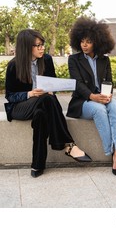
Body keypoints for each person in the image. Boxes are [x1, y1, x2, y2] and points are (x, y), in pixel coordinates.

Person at [4, 29, 92, 178]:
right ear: (26, 47)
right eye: (37, 45)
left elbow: (52, 84)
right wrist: (30, 94)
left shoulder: (46, 60)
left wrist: (52, 90)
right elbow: (10, 96)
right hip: (20, 107)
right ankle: (68, 144)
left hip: (42, 105)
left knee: (41, 115)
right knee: (47, 100)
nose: (42, 48)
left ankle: (37, 164)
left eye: (42, 44)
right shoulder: (14, 65)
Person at [66, 17, 116, 176]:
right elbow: (78, 83)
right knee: (99, 110)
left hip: (102, 97)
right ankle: (115, 152)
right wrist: (93, 97)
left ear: (97, 41)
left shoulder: (104, 60)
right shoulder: (74, 59)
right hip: (83, 101)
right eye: (82, 41)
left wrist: (108, 95)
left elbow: (109, 81)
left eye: (88, 41)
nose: (84, 45)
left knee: (114, 105)